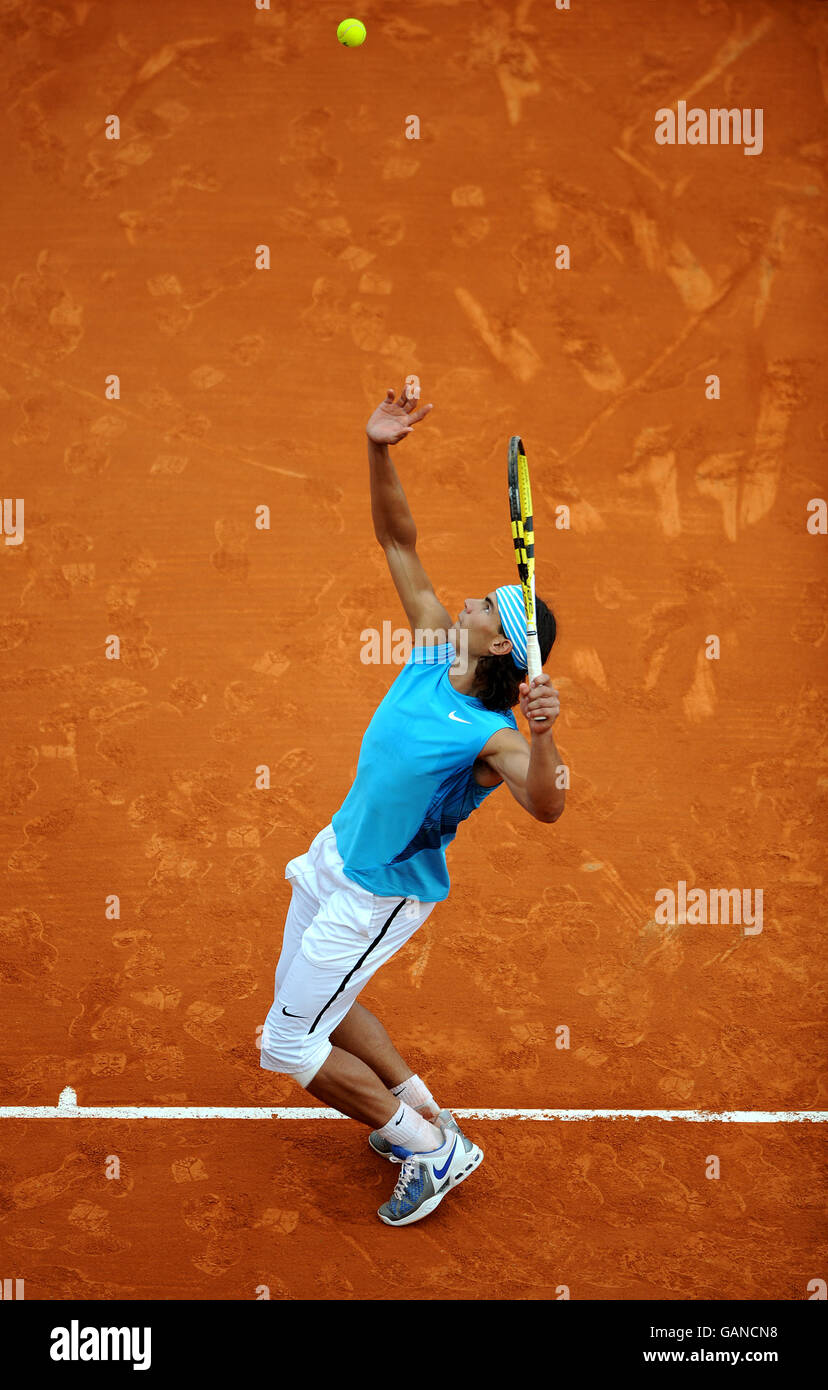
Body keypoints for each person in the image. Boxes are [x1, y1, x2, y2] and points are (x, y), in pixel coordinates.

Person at [260, 382, 565, 1226]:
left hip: (376, 895)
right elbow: (396, 536)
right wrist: (378, 448)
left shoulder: (490, 735)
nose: (462, 599)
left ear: (499, 640)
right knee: (319, 996)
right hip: (334, 855)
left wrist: (542, 737)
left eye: (483, 606)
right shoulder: (435, 646)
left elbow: (548, 808)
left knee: (288, 1043)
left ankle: (429, 1149)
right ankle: (418, 1104)